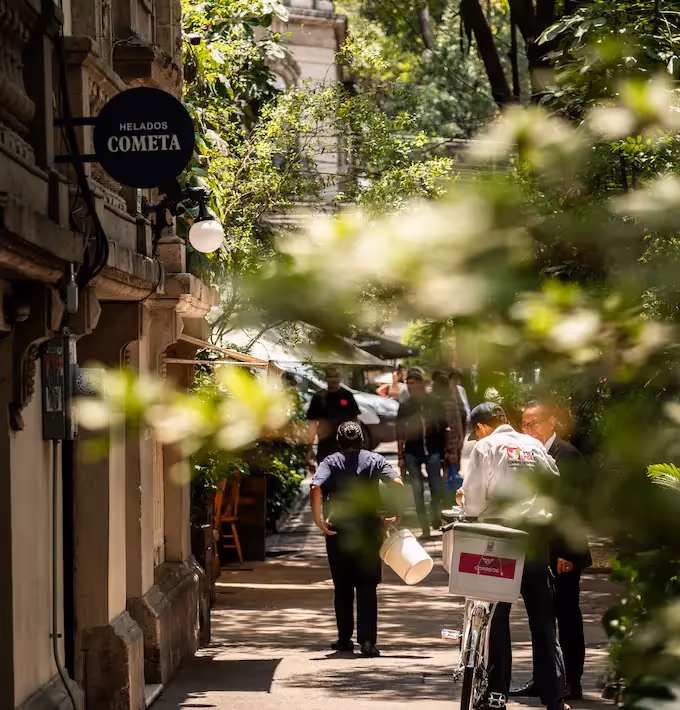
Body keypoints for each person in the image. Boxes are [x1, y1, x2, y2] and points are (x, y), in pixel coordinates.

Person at [457, 402, 567, 710]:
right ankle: (554, 696)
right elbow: (554, 484)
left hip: (501, 539)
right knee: (543, 620)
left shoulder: (485, 447)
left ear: (480, 428)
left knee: (496, 617)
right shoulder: (532, 444)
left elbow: (475, 503)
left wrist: (465, 504)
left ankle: (497, 694)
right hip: (536, 538)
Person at [511, 400, 592, 702]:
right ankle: (544, 677)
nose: (527, 429)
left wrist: (567, 553)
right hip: (538, 550)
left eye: (533, 423)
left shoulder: (567, 455)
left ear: (551, 424)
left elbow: (576, 509)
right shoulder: (530, 455)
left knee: (567, 615)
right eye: (523, 423)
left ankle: (572, 680)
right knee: (541, 617)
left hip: (563, 550)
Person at [310, 421, 405, 657]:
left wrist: (318, 520)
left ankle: (344, 639)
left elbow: (315, 487)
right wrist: (398, 512)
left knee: (342, 587)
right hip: (369, 530)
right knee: (367, 587)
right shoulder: (375, 460)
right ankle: (367, 643)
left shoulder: (330, 461)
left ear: (340, 441)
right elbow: (397, 483)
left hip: (338, 530)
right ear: (362, 440)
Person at [396, 366, 444, 537]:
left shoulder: (434, 402)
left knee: (436, 488)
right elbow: (400, 432)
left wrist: (447, 452)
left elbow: (443, 427)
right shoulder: (405, 406)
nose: (410, 388)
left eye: (413, 384)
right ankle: (424, 528)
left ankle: (436, 516)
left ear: (421, 384)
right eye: (408, 384)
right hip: (412, 452)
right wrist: (400, 456)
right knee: (417, 492)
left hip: (433, 450)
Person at [306, 365, 361, 472]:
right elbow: (312, 423)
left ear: (340, 378)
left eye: (336, 376)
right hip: (325, 447)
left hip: (345, 446)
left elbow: (355, 420)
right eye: (330, 377)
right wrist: (310, 448)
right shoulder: (318, 397)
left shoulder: (347, 396)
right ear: (325, 378)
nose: (333, 380)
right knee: (327, 481)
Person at [431, 370, 465, 501]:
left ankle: (440, 495)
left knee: (438, 469)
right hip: (452, 438)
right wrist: (460, 438)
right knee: (448, 468)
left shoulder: (432, 401)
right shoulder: (452, 401)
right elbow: (457, 421)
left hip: (437, 439)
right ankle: (448, 494)